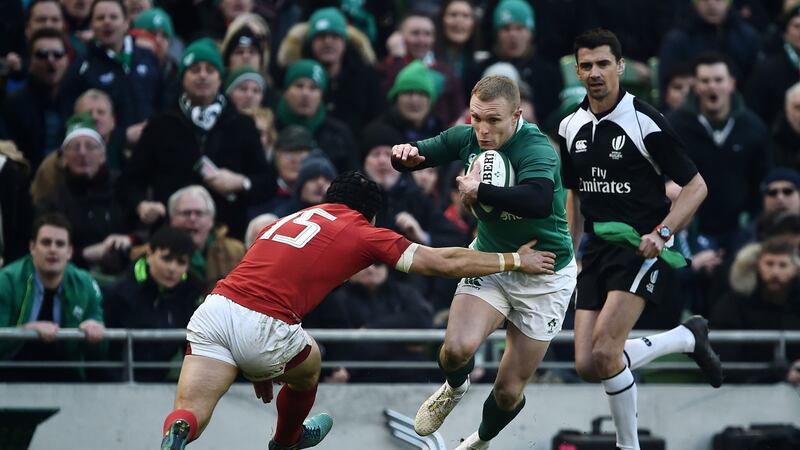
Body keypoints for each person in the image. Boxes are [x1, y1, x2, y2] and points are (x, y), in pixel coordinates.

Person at [159, 171, 557, 450]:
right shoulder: (362, 231)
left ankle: (177, 432)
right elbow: (442, 262)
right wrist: (513, 261)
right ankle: (287, 441)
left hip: (215, 310)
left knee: (191, 411)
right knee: (310, 365)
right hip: (264, 327)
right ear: (371, 214)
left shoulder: (286, 219)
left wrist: (255, 363)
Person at [392, 75, 576, 450]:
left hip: (544, 273)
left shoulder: (537, 149)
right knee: (456, 350)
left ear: (517, 116)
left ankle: (479, 440)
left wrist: (482, 191)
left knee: (508, 392)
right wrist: (404, 156)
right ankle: (454, 388)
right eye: (476, 118)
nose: (482, 130)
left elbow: (539, 200)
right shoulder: (468, 138)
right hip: (493, 260)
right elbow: (425, 151)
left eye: (493, 120)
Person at [558, 29, 722, 450]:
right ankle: (685, 338)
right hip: (593, 251)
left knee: (607, 352)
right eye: (587, 65)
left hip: (638, 249)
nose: (595, 73)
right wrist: (567, 253)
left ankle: (627, 447)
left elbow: (696, 186)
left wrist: (663, 232)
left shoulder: (643, 119)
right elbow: (574, 194)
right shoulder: (569, 125)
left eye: (603, 64)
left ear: (621, 67)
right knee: (586, 365)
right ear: (577, 70)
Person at [0, 213, 105, 381]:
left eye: (60, 244)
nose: (53, 249)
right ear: (32, 247)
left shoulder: (85, 284)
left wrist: (95, 333)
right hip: (9, 376)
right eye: (46, 242)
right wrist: (25, 331)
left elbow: (102, 352)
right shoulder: (6, 281)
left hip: (67, 379)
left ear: (69, 251)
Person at [104, 226, 201, 381]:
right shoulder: (118, 292)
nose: (172, 268)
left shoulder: (192, 295)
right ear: (149, 254)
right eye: (166, 258)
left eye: (181, 262)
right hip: (116, 383)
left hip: (165, 385)